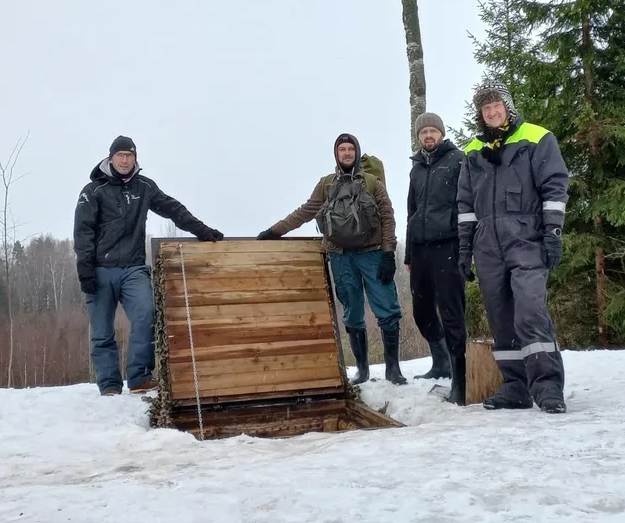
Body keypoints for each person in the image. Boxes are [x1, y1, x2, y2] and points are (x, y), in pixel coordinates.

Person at [74, 135, 223, 396]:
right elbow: (83, 231)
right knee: (102, 330)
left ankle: (139, 376)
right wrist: (85, 269)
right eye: (119, 155)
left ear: (135, 158)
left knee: (147, 314)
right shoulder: (93, 191)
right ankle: (109, 385)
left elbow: (173, 209)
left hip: (133, 268)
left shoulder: (144, 187)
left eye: (128, 155)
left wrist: (202, 230)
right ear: (111, 158)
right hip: (100, 268)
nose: (124, 160)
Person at [457, 82, 570, 414]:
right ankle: (516, 386)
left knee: (530, 310)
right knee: (500, 315)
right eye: (485, 108)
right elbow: (465, 203)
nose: (492, 112)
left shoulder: (536, 138)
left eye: (497, 105)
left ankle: (548, 387)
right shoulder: (473, 150)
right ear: (480, 114)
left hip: (527, 238)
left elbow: (555, 186)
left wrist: (553, 233)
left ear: (508, 107)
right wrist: (465, 248)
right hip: (487, 244)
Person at [257, 133, 404, 386]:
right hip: (340, 256)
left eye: (350, 149)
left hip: (373, 253)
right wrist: (274, 231)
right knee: (352, 312)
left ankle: (393, 370)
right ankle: (362, 371)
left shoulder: (372, 182)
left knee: (387, 309)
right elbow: (306, 211)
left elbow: (388, 217)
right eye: (342, 150)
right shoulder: (326, 184)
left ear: (357, 153)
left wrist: (389, 252)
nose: (347, 153)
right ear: (336, 155)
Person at [404, 111, 468, 404]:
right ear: (418, 137)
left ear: (441, 133)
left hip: (448, 246)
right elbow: (411, 210)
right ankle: (440, 362)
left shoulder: (457, 160)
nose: (428, 136)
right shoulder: (416, 168)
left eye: (433, 131)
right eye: (423, 132)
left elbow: (467, 203)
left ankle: (460, 378)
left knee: (452, 313)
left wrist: (465, 246)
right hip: (420, 249)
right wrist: (408, 253)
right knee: (422, 311)